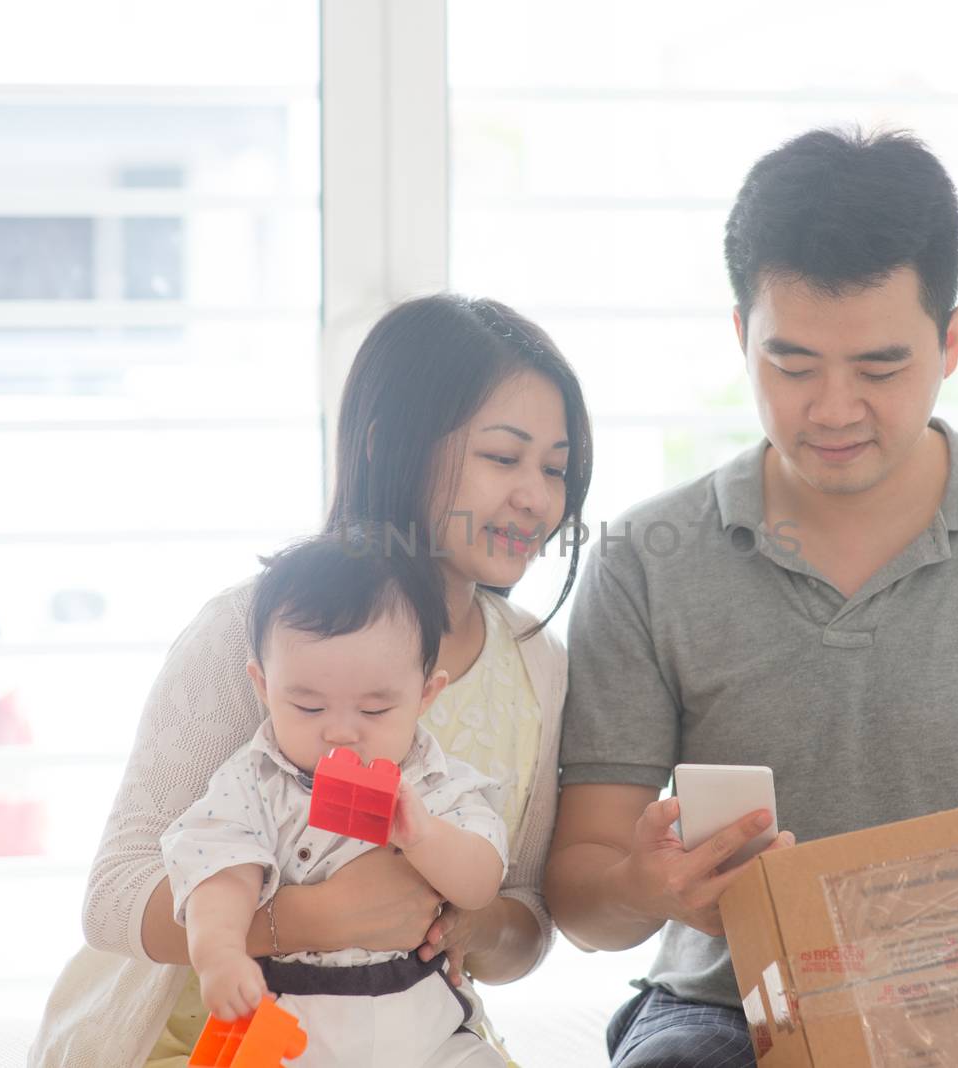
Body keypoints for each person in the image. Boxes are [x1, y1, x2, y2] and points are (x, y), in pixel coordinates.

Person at [544, 127, 958, 1067]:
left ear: (953, 340)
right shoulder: (648, 558)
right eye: (792, 365)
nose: (834, 409)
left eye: (881, 368)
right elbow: (582, 895)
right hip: (735, 1007)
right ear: (740, 337)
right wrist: (648, 887)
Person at [30, 293, 593, 1067]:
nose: (537, 497)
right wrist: (313, 920)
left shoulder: (535, 663)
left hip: (401, 1033)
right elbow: (114, 895)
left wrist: (469, 922)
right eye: (503, 457)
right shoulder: (250, 629)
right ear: (387, 444)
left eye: (555, 469)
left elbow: (525, 913)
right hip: (205, 1037)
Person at [163, 533, 507, 1066]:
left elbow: (482, 881)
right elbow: (220, 869)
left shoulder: (437, 784)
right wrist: (220, 953)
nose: (341, 733)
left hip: (423, 1029)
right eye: (306, 706)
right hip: (296, 1031)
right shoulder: (251, 783)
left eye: (374, 711)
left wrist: (424, 836)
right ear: (263, 686)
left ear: (425, 695)